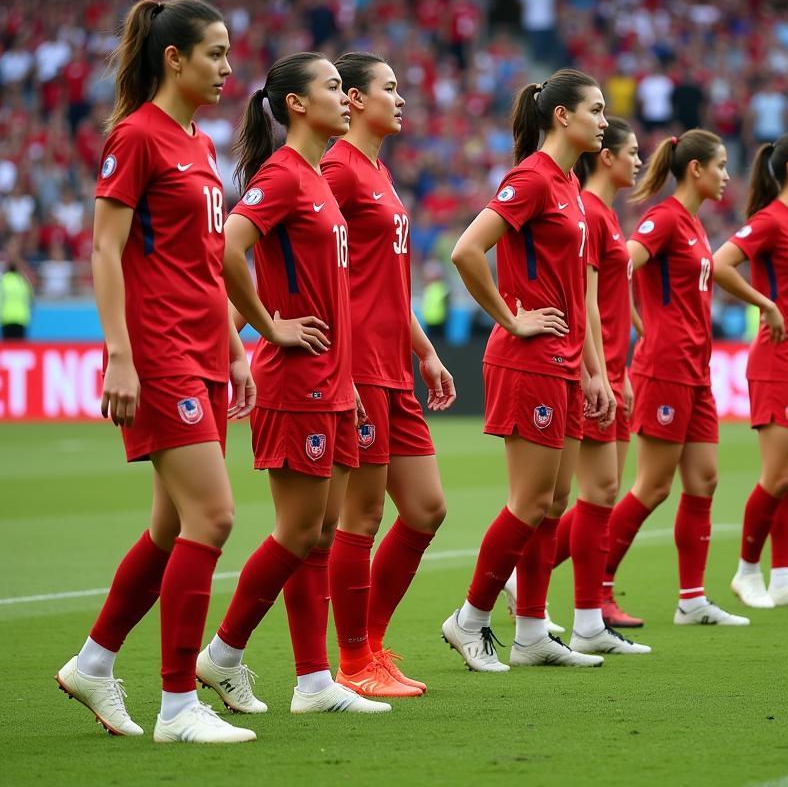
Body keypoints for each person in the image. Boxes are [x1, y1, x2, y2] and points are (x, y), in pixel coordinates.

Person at [56, 0, 258, 744]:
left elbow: (205, 261)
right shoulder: (136, 137)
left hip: (205, 354)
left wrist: (235, 350)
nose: (228, 67)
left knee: (173, 528)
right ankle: (178, 705)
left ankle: (94, 663)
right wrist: (118, 356)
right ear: (174, 58)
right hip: (160, 354)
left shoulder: (198, 144)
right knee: (215, 518)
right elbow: (105, 251)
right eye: (214, 52)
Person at [195, 53, 389, 718]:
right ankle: (222, 653)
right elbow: (226, 248)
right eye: (334, 87)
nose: (346, 97)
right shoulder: (283, 177)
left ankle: (313, 683)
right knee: (298, 531)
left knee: (322, 533)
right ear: (298, 105)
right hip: (296, 381)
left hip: (333, 381)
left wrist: (348, 378)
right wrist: (268, 328)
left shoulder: (315, 178)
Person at [442, 69, 612, 672]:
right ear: (562, 116)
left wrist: (593, 370)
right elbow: (466, 250)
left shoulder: (568, 184)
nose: (604, 119)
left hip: (565, 362)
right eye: (595, 109)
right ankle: (470, 619)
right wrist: (512, 320)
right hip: (528, 358)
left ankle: (534, 632)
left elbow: (577, 293)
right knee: (530, 500)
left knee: (555, 500)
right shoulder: (533, 178)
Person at [322, 53, 456, 697]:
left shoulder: (378, 171)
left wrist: (425, 350)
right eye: (390, 89)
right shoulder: (336, 170)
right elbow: (310, 270)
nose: (401, 99)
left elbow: (384, 283)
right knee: (362, 515)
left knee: (426, 509)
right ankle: (352, 663)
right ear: (352, 99)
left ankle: (372, 644)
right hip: (359, 368)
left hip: (394, 365)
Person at [602, 130, 750, 628]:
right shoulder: (663, 219)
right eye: (722, 165)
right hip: (665, 368)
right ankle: (595, 589)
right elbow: (617, 264)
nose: (727, 175)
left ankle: (692, 600)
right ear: (696, 170)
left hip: (697, 370)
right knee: (652, 486)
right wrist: (639, 328)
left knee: (704, 479)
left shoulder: (693, 225)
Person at [712, 132, 788, 610]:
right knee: (777, 476)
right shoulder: (771, 221)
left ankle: (784, 579)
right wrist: (767, 304)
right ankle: (746, 572)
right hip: (778, 363)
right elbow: (720, 263)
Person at [547, 116, 651, 652]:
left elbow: (611, 302)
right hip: (592, 370)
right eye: (632, 152)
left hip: (610, 369)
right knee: (592, 492)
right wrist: (602, 373)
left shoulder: (605, 214)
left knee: (600, 491)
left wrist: (624, 369)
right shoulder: (587, 209)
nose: (639, 161)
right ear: (606, 156)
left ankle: (541, 589)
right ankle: (585, 618)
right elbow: (583, 303)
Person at [0, 260, 32, 338]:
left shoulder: (3, 281)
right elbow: (30, 298)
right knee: (19, 346)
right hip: (21, 317)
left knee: (9, 346)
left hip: (6, 317)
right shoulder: (23, 281)